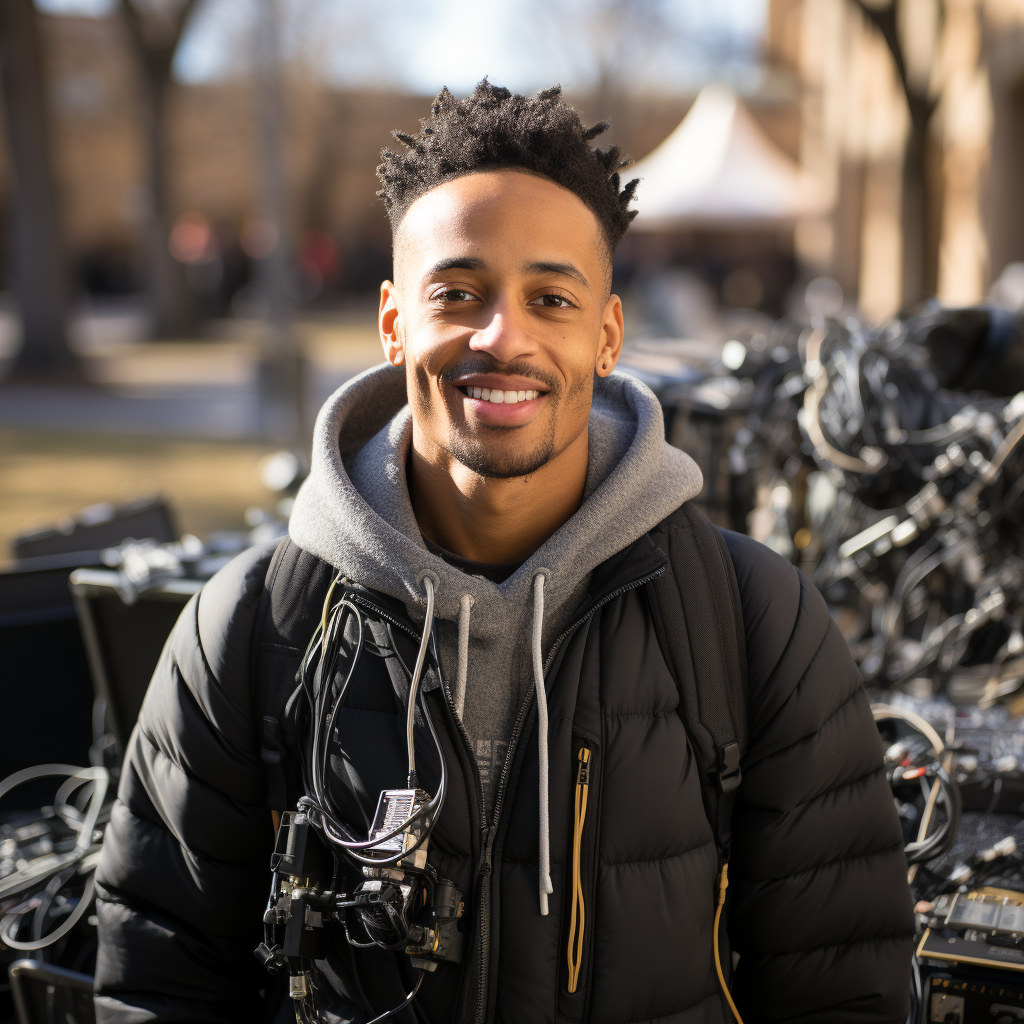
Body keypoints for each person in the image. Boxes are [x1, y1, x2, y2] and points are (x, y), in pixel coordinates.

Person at [94, 81, 915, 1023]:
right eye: (458, 292)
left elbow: (843, 993)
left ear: (607, 336)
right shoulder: (245, 630)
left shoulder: (757, 624)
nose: (502, 337)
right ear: (394, 320)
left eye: (551, 297)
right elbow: (159, 987)